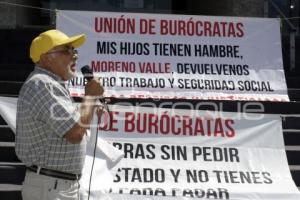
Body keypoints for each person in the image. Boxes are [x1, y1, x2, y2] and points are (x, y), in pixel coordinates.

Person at [15, 29, 103, 200]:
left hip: (56, 186)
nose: (75, 55)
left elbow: (72, 124)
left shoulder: (52, 84)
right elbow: (75, 133)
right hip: (50, 187)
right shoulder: (42, 84)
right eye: (67, 50)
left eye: (74, 50)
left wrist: (90, 107)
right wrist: (90, 96)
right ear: (46, 58)